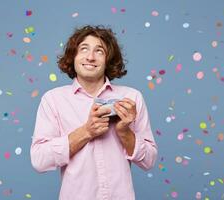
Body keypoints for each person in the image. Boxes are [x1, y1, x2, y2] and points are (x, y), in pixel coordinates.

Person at [30, 25, 158, 200]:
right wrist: (86, 132)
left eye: (99, 51)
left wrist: (124, 132)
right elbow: (39, 160)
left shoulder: (131, 97)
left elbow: (149, 161)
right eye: (84, 49)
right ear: (73, 56)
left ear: (108, 60)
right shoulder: (53, 100)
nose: (90, 57)